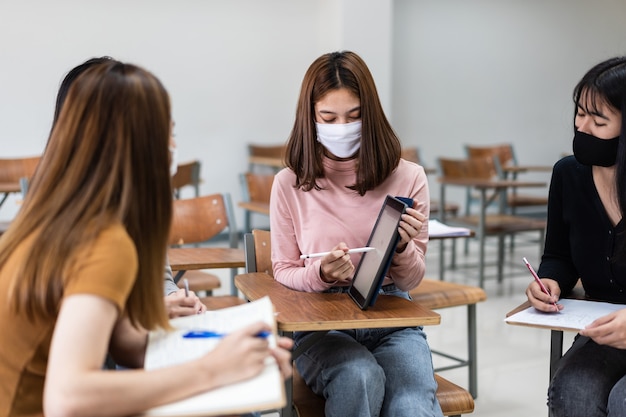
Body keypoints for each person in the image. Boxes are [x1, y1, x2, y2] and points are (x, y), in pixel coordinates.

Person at [0, 59, 292, 417]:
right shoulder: (105, 241)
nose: (172, 145)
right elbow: (69, 400)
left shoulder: (57, 218)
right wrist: (212, 369)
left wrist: (219, 347)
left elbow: (123, 343)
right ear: (139, 143)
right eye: (167, 131)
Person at [270, 50, 442, 417]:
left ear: (371, 115)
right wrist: (320, 274)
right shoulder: (290, 182)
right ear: (310, 118)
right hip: (321, 324)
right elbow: (283, 268)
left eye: (354, 116)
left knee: (412, 406)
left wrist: (401, 248)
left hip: (392, 318)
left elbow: (411, 279)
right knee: (358, 377)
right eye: (328, 118)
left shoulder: (409, 176)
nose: (341, 127)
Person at [52, 56, 207, 319]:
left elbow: (156, 278)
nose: (171, 145)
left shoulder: (140, 203)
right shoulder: (91, 229)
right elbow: (100, 334)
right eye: (160, 132)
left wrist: (171, 299)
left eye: (172, 133)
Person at [525, 56, 626, 417]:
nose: (582, 127)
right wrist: (549, 281)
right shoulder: (569, 175)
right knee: (572, 392)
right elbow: (560, 256)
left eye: (599, 121)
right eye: (580, 113)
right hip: (601, 328)